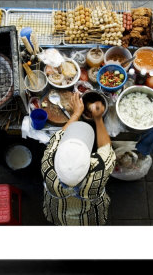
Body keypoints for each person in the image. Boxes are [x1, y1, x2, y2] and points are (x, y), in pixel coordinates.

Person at [41, 92, 116, 225]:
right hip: (89, 218)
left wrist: (76, 113)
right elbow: (106, 149)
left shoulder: (47, 165)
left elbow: (57, 137)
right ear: (91, 162)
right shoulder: (99, 174)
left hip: (58, 213)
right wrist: (98, 119)